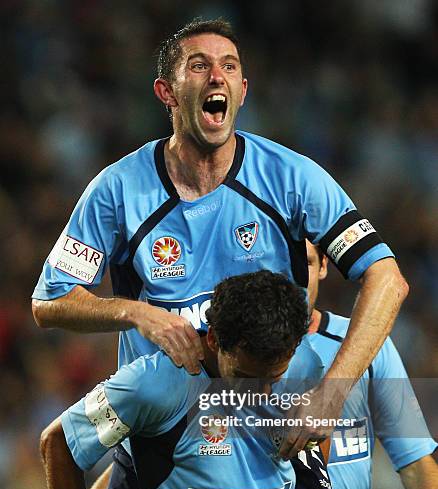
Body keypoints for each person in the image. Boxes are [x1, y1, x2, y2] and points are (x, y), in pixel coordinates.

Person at [32, 17, 408, 456]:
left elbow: (387, 278)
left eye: (229, 67)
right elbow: (48, 302)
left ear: (242, 91)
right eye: (198, 66)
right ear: (166, 93)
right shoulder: (117, 191)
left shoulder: (293, 178)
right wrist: (135, 312)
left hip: (271, 428)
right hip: (166, 432)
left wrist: (329, 395)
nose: (216, 76)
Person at [39, 271, 337, 489]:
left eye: (274, 379)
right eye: (244, 378)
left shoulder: (306, 365)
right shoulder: (154, 384)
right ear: (213, 339)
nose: (262, 395)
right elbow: (57, 443)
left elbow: (321, 434)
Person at [282, 243, 438, 489]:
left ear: (323, 266)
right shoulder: (229, 354)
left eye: (304, 262)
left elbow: (416, 463)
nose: (293, 275)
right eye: (281, 261)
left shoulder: (367, 343)